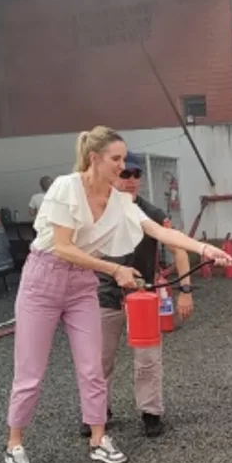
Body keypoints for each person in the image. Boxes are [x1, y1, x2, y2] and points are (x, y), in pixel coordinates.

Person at [3, 126, 232, 463]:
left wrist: (204, 248)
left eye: (125, 159)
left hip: (81, 285)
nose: (123, 167)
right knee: (31, 373)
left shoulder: (120, 201)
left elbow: (160, 232)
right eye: (117, 159)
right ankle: (15, 445)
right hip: (43, 281)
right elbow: (63, 247)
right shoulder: (67, 187)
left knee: (93, 369)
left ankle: (98, 438)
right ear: (94, 158)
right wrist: (115, 269)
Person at [82, 152, 194, 439]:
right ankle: (97, 413)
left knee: (147, 360)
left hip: (142, 298)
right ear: (113, 174)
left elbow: (179, 249)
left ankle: (151, 413)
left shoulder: (153, 213)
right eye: (125, 174)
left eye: (136, 174)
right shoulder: (96, 209)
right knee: (98, 361)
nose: (131, 180)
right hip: (104, 295)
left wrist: (186, 291)